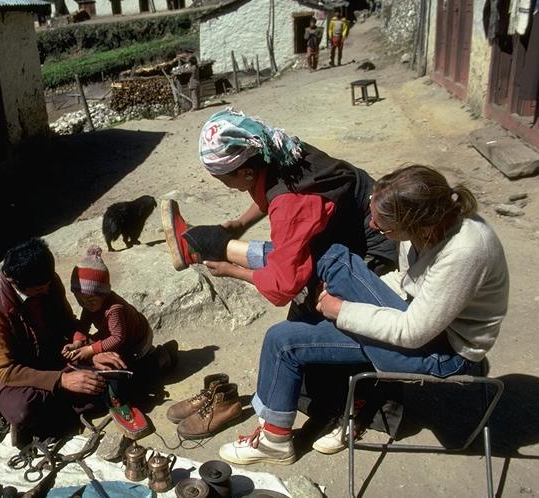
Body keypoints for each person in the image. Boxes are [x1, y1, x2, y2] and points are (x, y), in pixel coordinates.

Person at [216, 165, 509, 465]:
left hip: (443, 353)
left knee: (334, 258)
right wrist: (353, 293)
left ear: (415, 223)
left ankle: (223, 248)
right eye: (371, 214)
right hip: (418, 327)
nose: (371, 225)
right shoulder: (421, 228)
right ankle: (274, 440)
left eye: (382, 228)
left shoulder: (466, 251)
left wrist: (341, 309)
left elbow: (413, 331)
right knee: (281, 340)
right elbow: (405, 285)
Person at [161, 108, 397, 318]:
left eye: (223, 180)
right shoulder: (279, 150)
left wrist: (233, 271)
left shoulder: (290, 207)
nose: (225, 186)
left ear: (247, 173)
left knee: (301, 314)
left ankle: (199, 249)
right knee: (286, 253)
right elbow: (272, 190)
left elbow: (284, 284)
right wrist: (241, 222)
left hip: (373, 250)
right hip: (348, 224)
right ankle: (201, 246)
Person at [0, 238, 126, 447]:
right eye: (38, 290)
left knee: (116, 367)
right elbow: (5, 371)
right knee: (23, 409)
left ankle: (55, 414)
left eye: (47, 285)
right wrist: (62, 380)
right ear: (13, 281)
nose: (46, 292)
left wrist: (87, 347)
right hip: (16, 378)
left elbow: (67, 322)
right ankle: (60, 407)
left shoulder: (47, 281)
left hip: (53, 356)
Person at [62, 244, 178, 393]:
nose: (85, 305)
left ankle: (162, 357)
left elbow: (117, 338)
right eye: (80, 301)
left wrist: (90, 349)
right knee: (95, 357)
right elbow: (83, 325)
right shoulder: (89, 304)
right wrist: (77, 343)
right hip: (114, 334)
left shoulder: (114, 309)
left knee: (128, 369)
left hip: (136, 340)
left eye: (90, 301)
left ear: (103, 294)